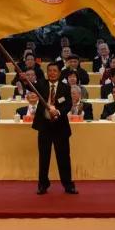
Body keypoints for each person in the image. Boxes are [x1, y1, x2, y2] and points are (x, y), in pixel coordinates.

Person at [33, 62, 77, 195]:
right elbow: (28, 86)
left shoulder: (65, 87)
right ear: (47, 72)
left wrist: (57, 112)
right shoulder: (41, 84)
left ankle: (68, 185)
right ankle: (43, 185)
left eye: (54, 71)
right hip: (44, 126)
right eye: (49, 70)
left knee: (63, 157)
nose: (52, 73)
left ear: (59, 73)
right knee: (44, 157)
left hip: (60, 127)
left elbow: (68, 104)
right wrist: (22, 78)